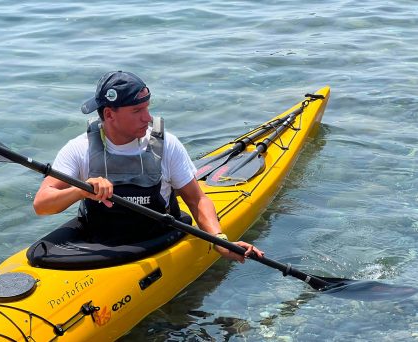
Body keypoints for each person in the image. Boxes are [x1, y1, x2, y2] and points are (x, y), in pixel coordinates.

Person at [33, 71, 264, 263]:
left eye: (147, 108)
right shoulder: (78, 148)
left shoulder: (166, 145)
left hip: (155, 235)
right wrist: (81, 190)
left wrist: (219, 240)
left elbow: (196, 199)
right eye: (137, 111)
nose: (148, 118)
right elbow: (42, 205)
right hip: (103, 237)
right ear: (109, 114)